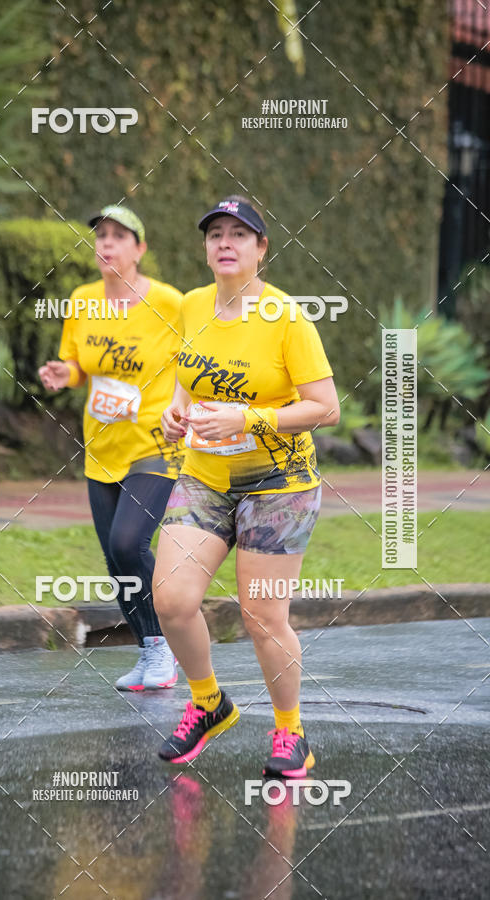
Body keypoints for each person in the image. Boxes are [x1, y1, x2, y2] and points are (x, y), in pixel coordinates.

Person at [152, 195, 340, 775]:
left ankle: (291, 734)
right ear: (206, 249)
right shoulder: (190, 306)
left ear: (262, 249)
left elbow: (325, 407)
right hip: (206, 474)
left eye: (240, 234)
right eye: (215, 235)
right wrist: (175, 411)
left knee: (261, 616)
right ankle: (208, 703)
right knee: (173, 599)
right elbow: (190, 377)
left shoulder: (286, 317)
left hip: (278, 480)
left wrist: (249, 418)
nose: (225, 243)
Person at [39, 205, 183, 691]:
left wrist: (192, 411)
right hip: (102, 446)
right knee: (114, 559)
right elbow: (78, 364)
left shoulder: (170, 302)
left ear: (140, 249)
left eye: (119, 236)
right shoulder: (81, 301)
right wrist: (66, 374)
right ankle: (151, 652)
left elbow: (201, 359)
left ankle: (166, 644)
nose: (106, 244)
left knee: (129, 543)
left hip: (155, 443)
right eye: (101, 235)